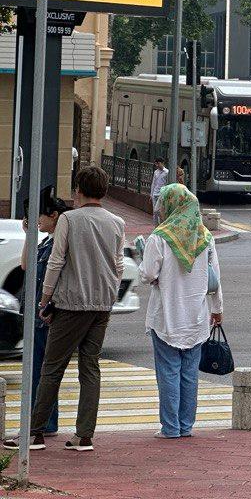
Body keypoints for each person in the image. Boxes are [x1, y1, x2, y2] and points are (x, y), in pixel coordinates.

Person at [26, 165, 125, 452]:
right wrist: (111, 292)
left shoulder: (69, 219)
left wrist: (45, 298)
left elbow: (56, 262)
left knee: (52, 367)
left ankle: (34, 433)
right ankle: (84, 435)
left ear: (79, 191)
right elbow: (118, 264)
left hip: (71, 304)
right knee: (90, 367)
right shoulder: (117, 222)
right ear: (104, 191)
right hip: (102, 304)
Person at [142, 184, 224, 439]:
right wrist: (218, 309)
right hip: (197, 317)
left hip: (166, 316)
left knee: (168, 372)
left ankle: (170, 427)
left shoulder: (160, 237)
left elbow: (147, 274)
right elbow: (215, 280)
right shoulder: (205, 237)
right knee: (189, 374)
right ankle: (186, 426)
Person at [3, 193, 72, 449]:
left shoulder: (59, 243)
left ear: (53, 216)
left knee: (41, 372)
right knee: (40, 370)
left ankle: (38, 425)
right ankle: (46, 422)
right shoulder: (46, 241)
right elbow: (25, 265)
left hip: (48, 315)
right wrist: (30, 234)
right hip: (38, 314)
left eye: (38, 215)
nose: (36, 220)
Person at [150, 158, 169, 224]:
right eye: (156, 164)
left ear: (162, 163)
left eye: (158, 163)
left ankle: (161, 225)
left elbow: (167, 183)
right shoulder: (156, 172)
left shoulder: (167, 172)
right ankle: (155, 227)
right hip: (155, 194)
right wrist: (151, 194)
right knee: (154, 212)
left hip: (162, 194)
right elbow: (153, 183)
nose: (157, 165)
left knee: (159, 211)